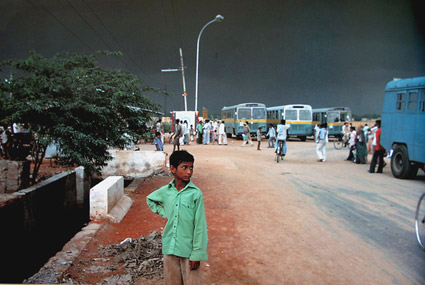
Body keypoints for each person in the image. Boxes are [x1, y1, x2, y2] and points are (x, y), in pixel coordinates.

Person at [146, 150, 208, 284]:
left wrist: (196, 254)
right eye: (184, 167)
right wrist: (165, 213)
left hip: (188, 251)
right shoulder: (166, 191)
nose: (189, 172)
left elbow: (200, 226)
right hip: (170, 248)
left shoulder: (195, 194)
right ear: (173, 169)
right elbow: (150, 199)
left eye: (191, 167)